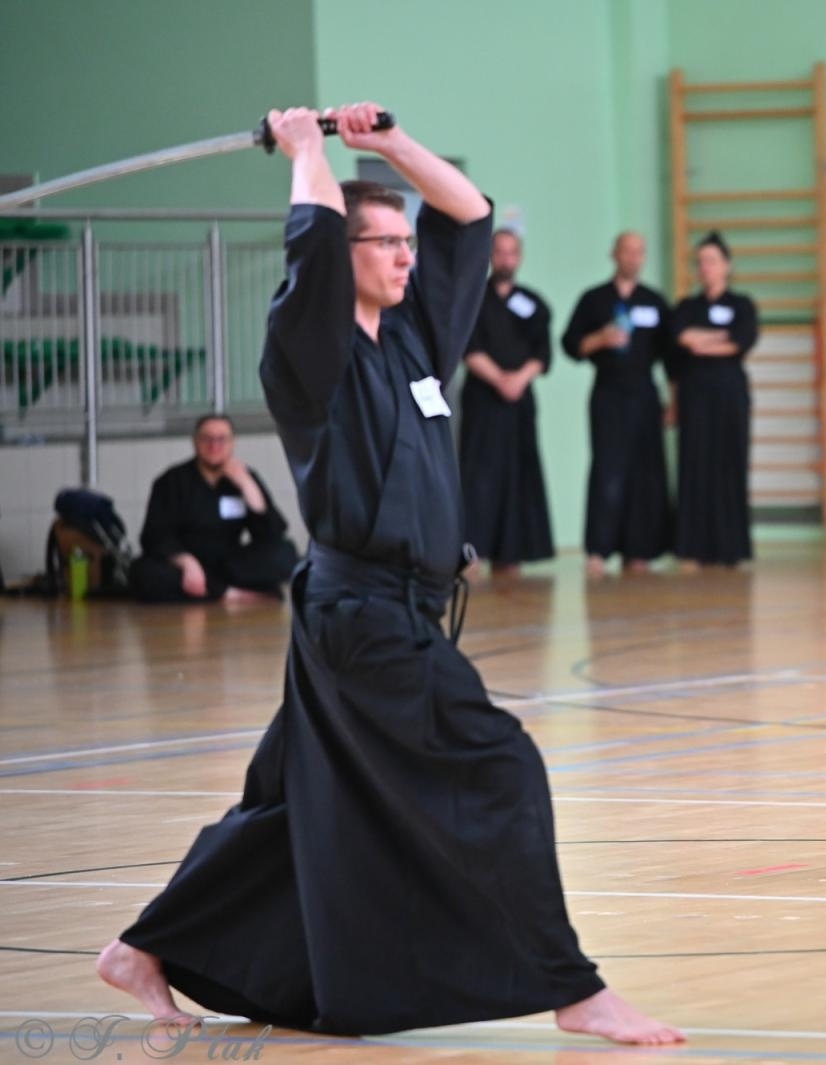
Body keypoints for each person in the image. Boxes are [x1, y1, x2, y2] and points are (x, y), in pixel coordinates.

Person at [96, 103, 682, 1046]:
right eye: (386, 243)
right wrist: (306, 146)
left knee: (291, 800)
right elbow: (314, 243)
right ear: (346, 254)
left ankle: (143, 948)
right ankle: (572, 986)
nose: (407, 256)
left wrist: (388, 144)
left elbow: (469, 216)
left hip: (388, 607)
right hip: (361, 611)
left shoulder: (415, 337)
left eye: (409, 242)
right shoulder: (308, 350)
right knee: (504, 766)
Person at [560, 232, 673, 577]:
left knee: (645, 472)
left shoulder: (653, 301)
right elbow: (570, 344)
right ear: (615, 254)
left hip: (644, 394)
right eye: (627, 251)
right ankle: (598, 549)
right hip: (608, 393)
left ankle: (640, 550)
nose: (633, 257)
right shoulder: (595, 299)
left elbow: (671, 354)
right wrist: (600, 338)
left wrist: (674, 400)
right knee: (607, 469)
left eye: (639, 252)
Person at [458, 227, 556, 568]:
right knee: (478, 474)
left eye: (512, 252)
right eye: (499, 252)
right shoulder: (472, 299)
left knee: (519, 473)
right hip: (483, 399)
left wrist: (519, 379)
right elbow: (467, 348)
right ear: (490, 256)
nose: (505, 259)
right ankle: (472, 552)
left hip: (520, 402)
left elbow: (542, 353)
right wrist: (500, 379)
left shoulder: (534, 304)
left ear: (520, 257)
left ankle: (512, 553)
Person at [128, 414, 297, 603]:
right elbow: (153, 536)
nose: (214, 445)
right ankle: (228, 593)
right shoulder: (171, 481)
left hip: (230, 564)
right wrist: (186, 562)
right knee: (143, 572)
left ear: (232, 443)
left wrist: (248, 488)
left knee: (285, 554)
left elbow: (272, 535)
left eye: (222, 439)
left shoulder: (245, 477)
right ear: (195, 442)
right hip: (186, 564)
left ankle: (213, 591)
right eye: (207, 438)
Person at [669, 232, 760, 569]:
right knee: (694, 466)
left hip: (729, 395)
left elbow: (741, 340)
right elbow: (681, 339)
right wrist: (716, 338)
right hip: (695, 395)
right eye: (701, 262)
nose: (705, 267)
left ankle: (731, 548)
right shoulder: (687, 307)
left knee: (729, 464)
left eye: (712, 261)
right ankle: (692, 548)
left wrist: (704, 340)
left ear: (726, 266)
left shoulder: (741, 305)